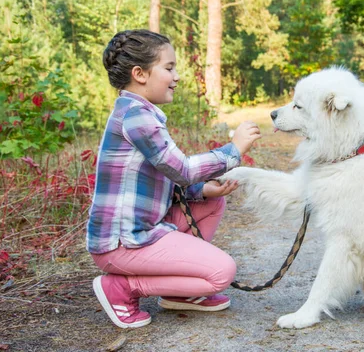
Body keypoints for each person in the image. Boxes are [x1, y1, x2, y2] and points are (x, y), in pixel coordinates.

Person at [87, 29, 261, 329]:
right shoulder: (136, 117)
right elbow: (180, 168)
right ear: (140, 74)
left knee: (212, 203)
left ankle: (176, 293)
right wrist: (234, 150)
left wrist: (201, 190)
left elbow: (166, 175)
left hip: (141, 230)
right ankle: (124, 288)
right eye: (169, 68)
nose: (176, 76)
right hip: (121, 244)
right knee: (221, 273)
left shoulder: (142, 113)